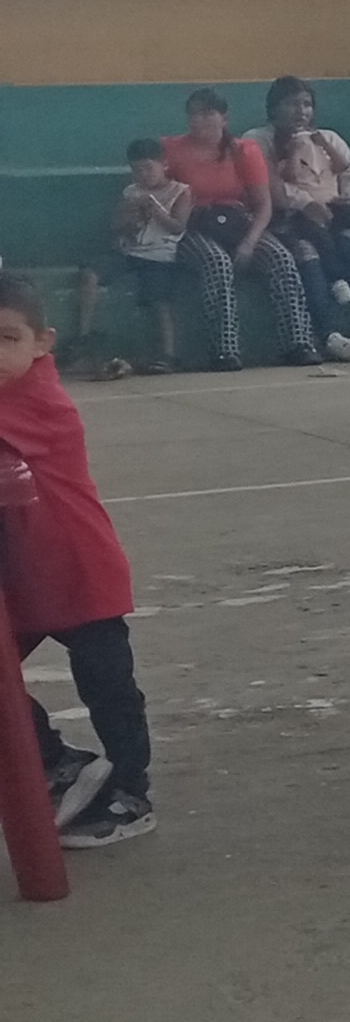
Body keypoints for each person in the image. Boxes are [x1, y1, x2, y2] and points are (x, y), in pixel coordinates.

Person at [0, 278, 159, 848]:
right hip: (19, 579)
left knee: (110, 689)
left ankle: (131, 793)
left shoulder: (41, 401)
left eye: (6, 338)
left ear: (43, 342)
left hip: (78, 571)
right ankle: (58, 761)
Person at [162, 88, 350, 370]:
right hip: (192, 226)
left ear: (224, 118)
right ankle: (225, 351)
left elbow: (263, 205)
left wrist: (249, 243)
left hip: (238, 223)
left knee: (281, 259)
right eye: (193, 114)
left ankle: (299, 343)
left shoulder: (244, 150)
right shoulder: (170, 149)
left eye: (206, 113)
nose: (198, 120)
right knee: (217, 263)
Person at [259, 76, 350, 356]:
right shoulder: (260, 140)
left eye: (307, 104)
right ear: (274, 108)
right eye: (292, 104)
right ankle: (330, 335)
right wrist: (306, 203)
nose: (301, 111)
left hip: (334, 214)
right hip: (289, 221)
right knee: (308, 254)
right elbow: (273, 185)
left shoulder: (328, 138)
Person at [102, 141, 189, 373]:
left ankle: (169, 354)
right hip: (131, 252)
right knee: (90, 273)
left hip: (159, 256)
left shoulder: (181, 191)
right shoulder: (131, 192)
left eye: (148, 168)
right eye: (137, 169)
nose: (143, 174)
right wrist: (129, 219)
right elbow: (117, 225)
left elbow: (178, 227)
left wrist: (156, 210)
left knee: (159, 300)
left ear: (164, 165)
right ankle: (84, 338)